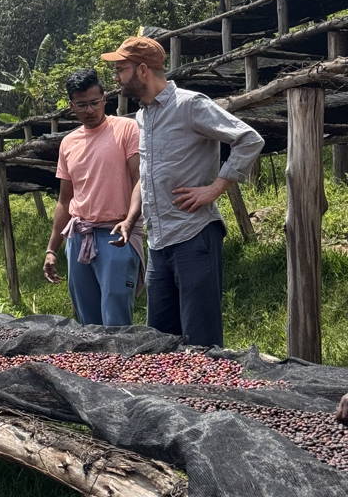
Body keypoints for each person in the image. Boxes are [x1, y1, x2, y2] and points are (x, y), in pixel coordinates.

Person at [101, 35, 264, 348]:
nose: (116, 77)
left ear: (143, 70)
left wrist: (215, 188)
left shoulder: (190, 105)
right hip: (158, 244)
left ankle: (206, 396)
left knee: (200, 341)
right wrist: (131, 218)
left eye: (121, 69)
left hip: (194, 237)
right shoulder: (143, 117)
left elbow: (249, 140)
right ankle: (168, 399)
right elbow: (147, 177)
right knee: (160, 341)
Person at [43, 68, 143, 326]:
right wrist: (52, 249)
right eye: (82, 105)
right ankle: (93, 366)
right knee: (87, 320)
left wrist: (130, 222)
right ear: (71, 105)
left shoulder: (126, 129)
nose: (89, 110)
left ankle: (122, 365)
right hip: (79, 236)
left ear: (104, 98)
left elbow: (139, 179)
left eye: (94, 103)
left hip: (116, 234)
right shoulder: (68, 143)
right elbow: (65, 199)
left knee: (116, 315)